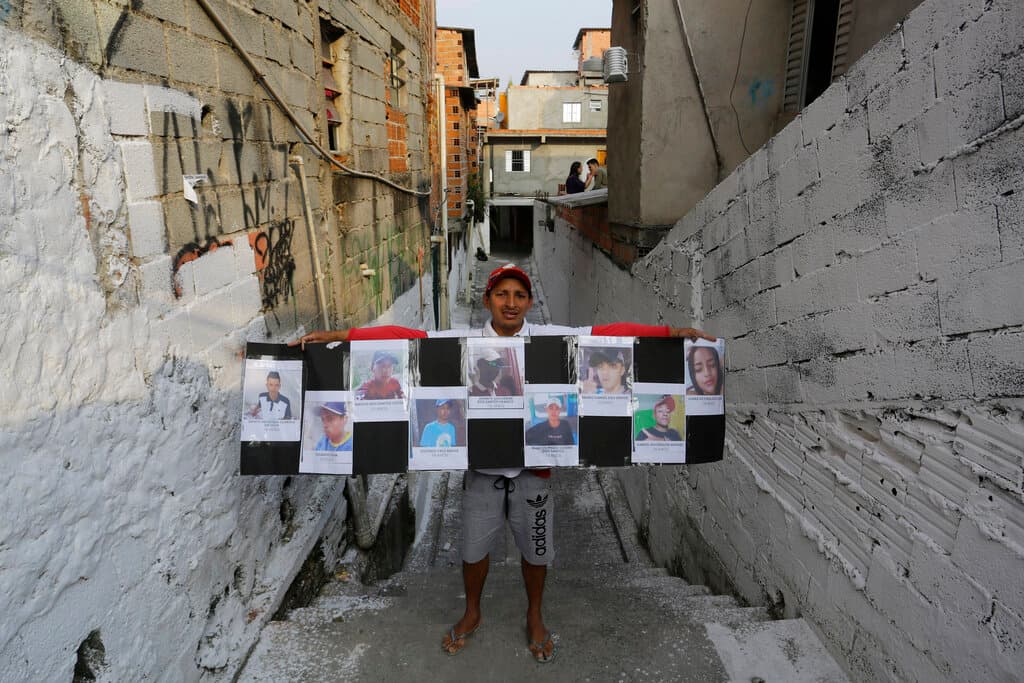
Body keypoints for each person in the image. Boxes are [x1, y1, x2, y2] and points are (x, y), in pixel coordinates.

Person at [293, 262, 715, 663]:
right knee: (474, 550)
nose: (510, 302)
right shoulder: (466, 345)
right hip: (482, 473)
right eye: (501, 294)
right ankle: (472, 611)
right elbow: (404, 336)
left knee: (536, 550)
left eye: (519, 295)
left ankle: (535, 614)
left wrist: (670, 332)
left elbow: (610, 333)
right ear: (487, 299)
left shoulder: (551, 339)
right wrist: (340, 336)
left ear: (529, 302)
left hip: (534, 474)